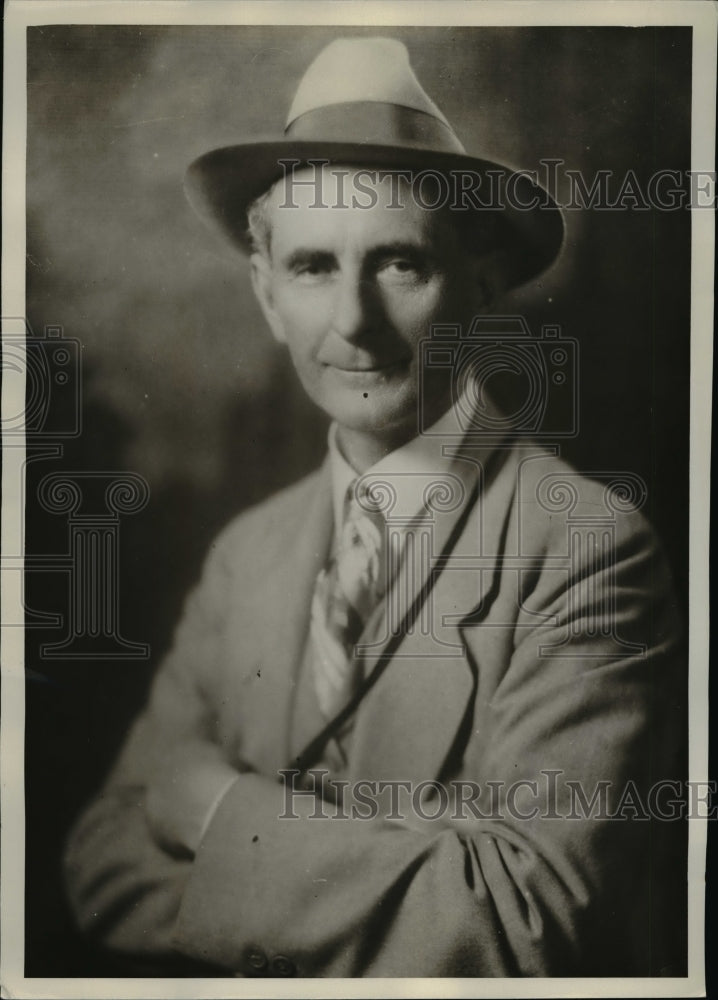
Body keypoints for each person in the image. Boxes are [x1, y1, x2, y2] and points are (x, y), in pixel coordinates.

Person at [63, 37, 686, 978]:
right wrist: (401, 901)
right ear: (267, 295)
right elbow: (100, 862)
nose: (353, 322)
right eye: (313, 268)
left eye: (398, 263)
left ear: (481, 281)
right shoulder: (246, 554)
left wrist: (221, 816)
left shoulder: (587, 547)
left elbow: (527, 926)